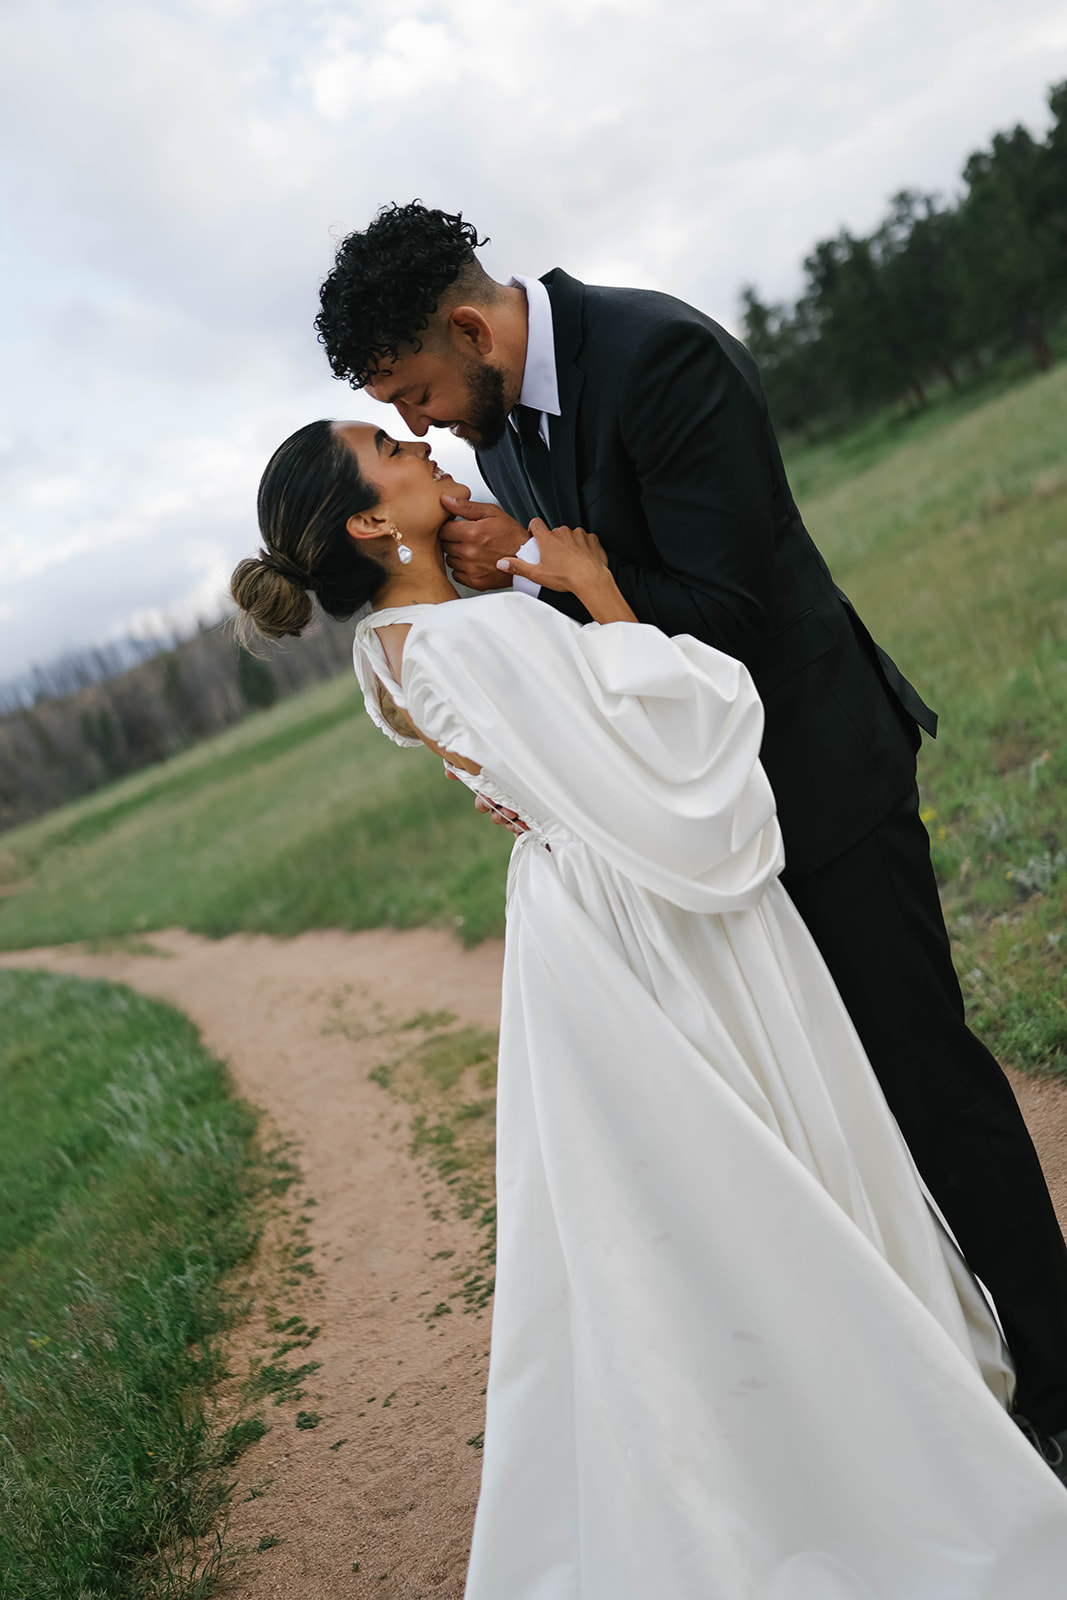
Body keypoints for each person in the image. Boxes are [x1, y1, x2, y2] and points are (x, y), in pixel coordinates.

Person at [230, 419, 1067, 1595]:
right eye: (386, 446)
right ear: (372, 519)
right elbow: (671, 759)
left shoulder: (392, 649)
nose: (419, 446)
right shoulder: (479, 635)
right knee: (771, 1150)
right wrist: (596, 588)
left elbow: (541, 766)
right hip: (656, 912)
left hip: (576, 920)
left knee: (687, 1196)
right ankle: (877, 1440)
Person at [313, 202, 1067, 1463]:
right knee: (826, 1122)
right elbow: (577, 638)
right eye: (394, 411)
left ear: (466, 326)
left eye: (417, 391)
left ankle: (1051, 1384)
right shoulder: (502, 434)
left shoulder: (659, 357)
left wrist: (555, 579)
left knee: (922, 1086)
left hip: (814, 788)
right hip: (698, 833)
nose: (421, 425)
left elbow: (724, 612)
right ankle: (940, 1390)